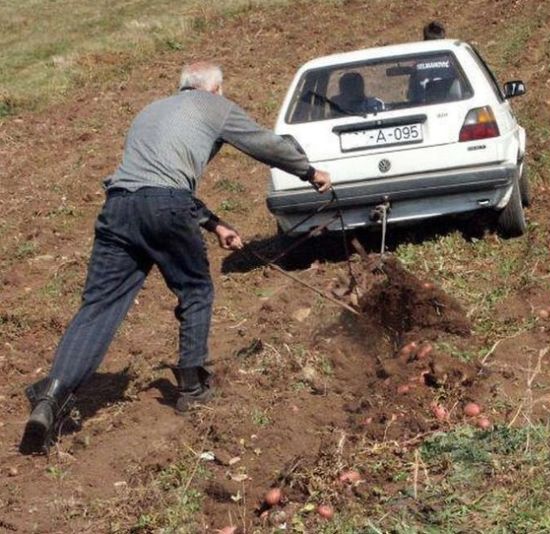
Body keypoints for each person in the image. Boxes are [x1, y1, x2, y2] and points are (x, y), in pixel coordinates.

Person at [20, 61, 331, 454]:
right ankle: (192, 387)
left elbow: (154, 180)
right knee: (195, 289)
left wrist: (215, 225)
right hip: (164, 204)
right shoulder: (214, 106)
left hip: (118, 206)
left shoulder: (150, 111)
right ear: (213, 89)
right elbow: (264, 144)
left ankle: (50, 397)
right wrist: (309, 172)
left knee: (97, 307)